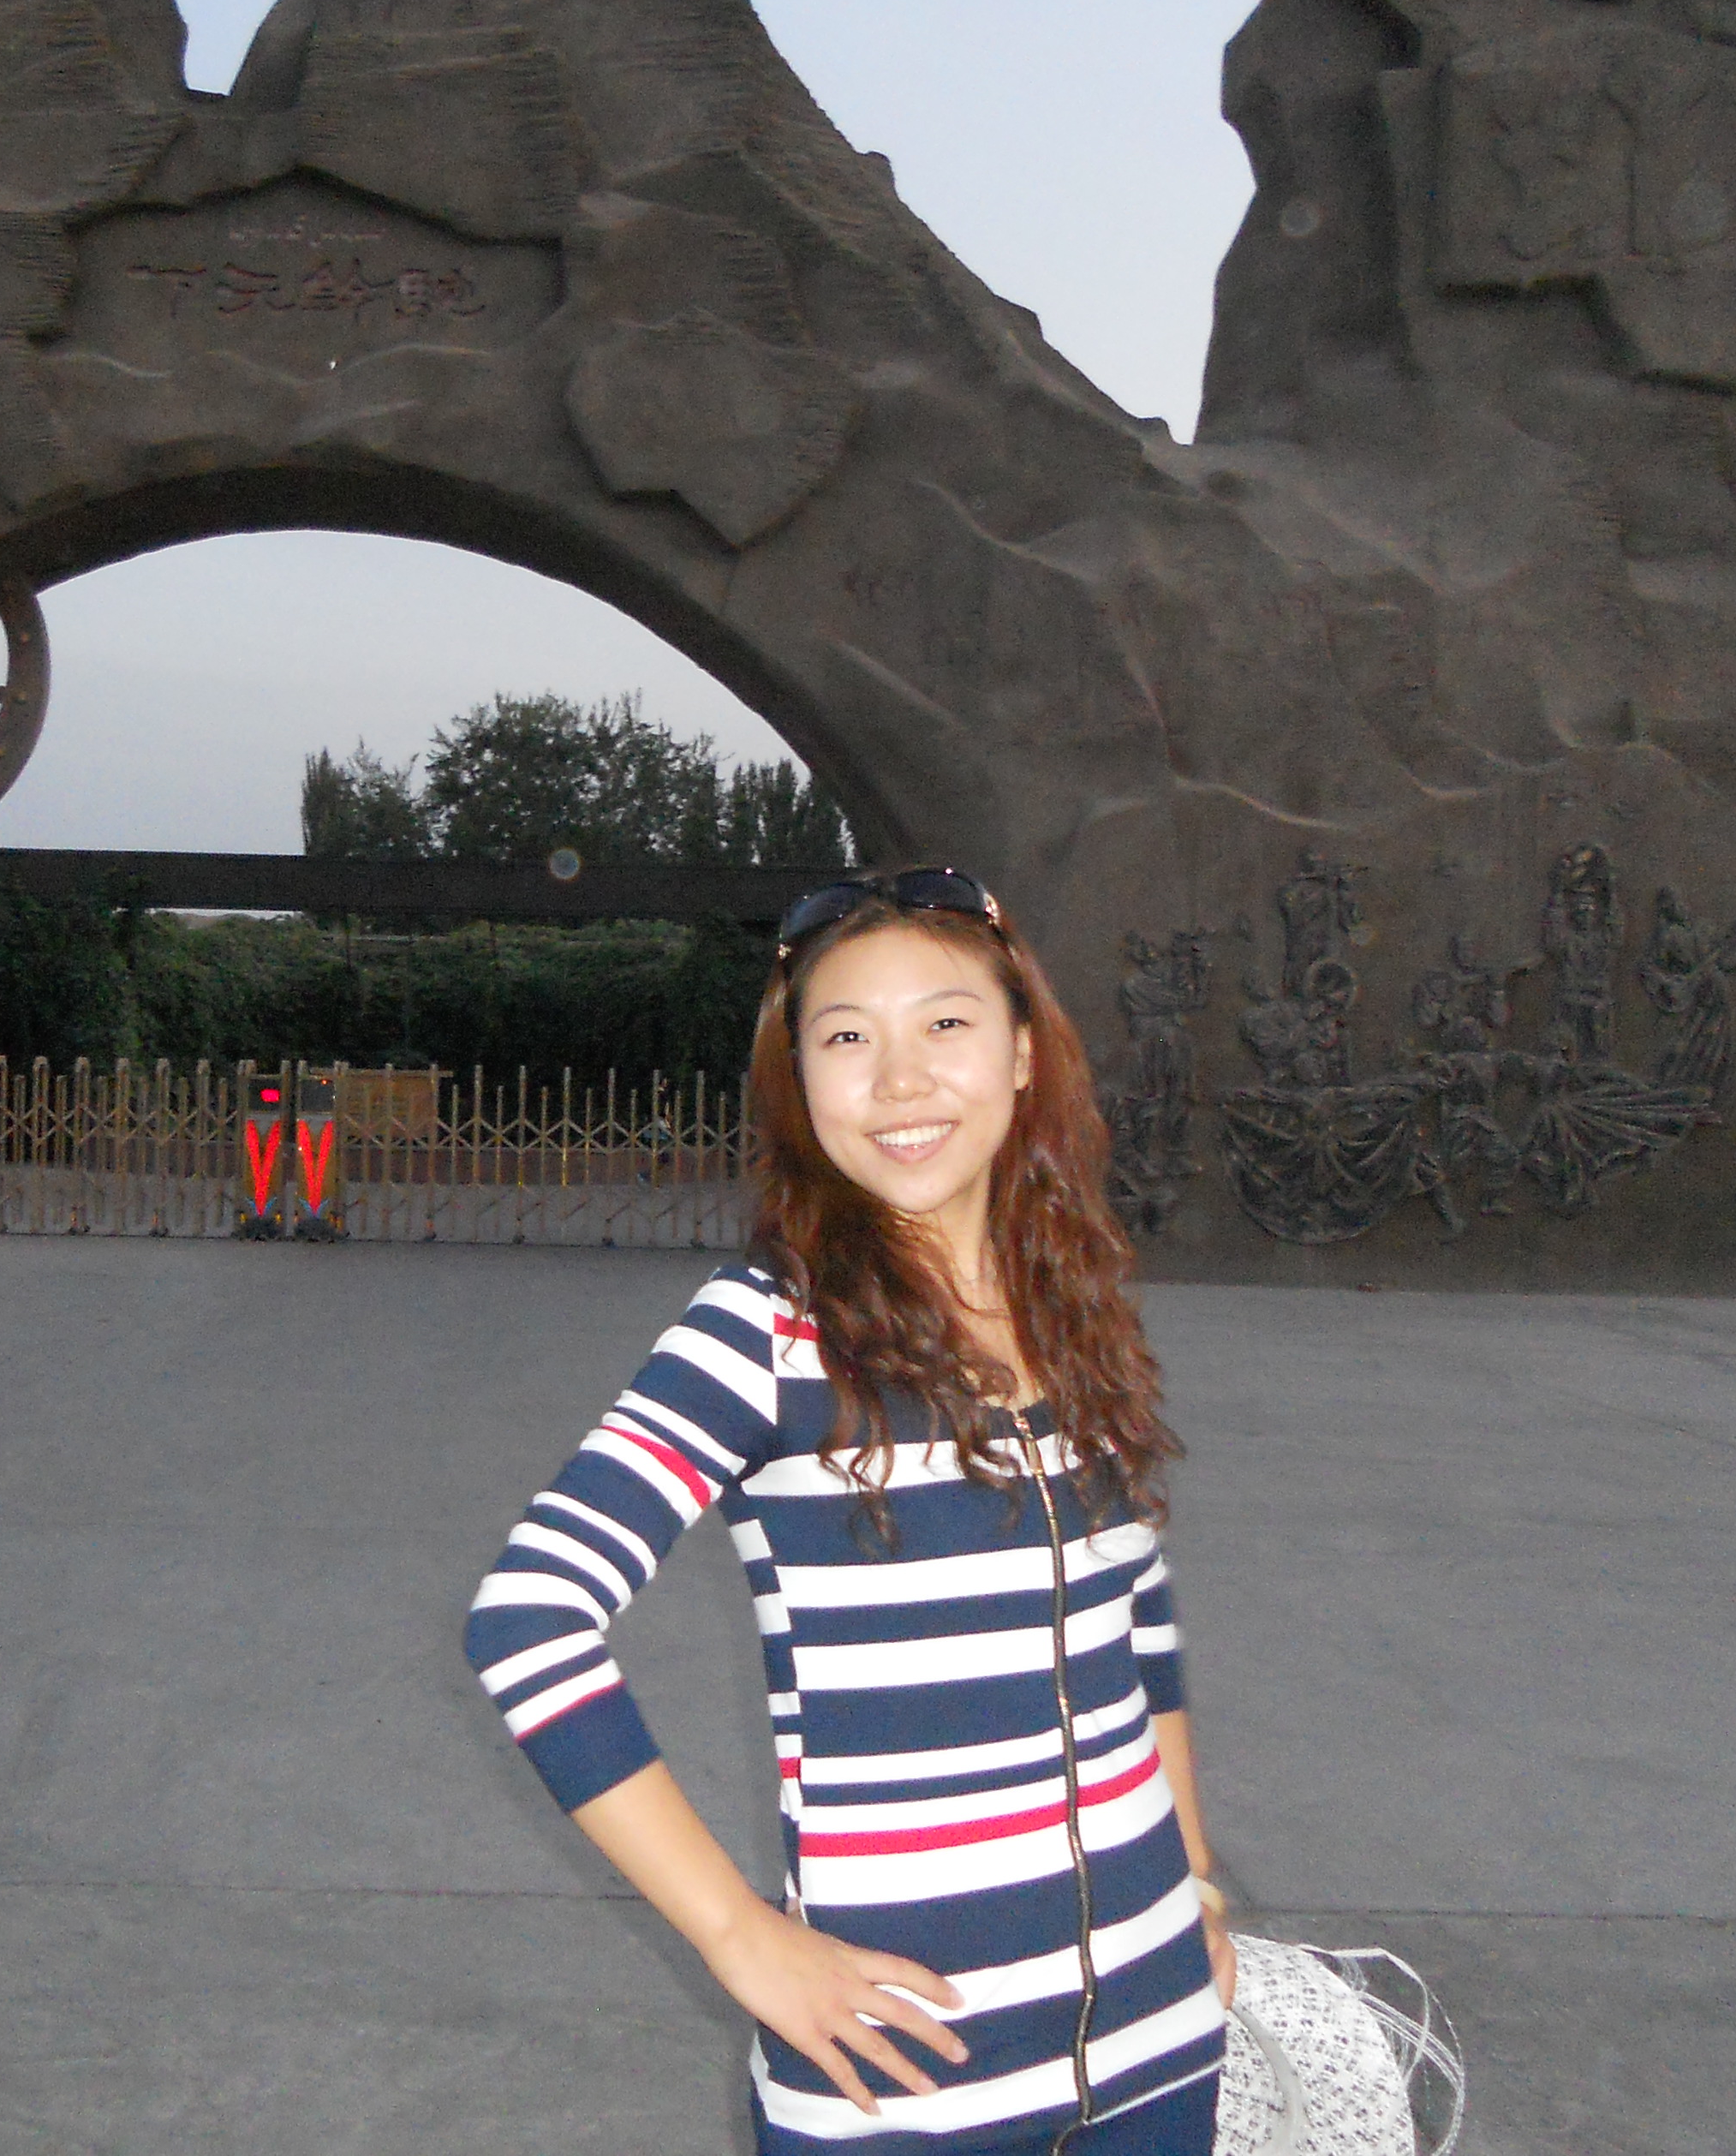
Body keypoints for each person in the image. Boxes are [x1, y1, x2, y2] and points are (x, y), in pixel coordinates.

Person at [467, 868, 1232, 2153]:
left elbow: (1138, 1624)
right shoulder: (767, 1333)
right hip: (908, 2075)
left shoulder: (1070, 1309)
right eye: (845, 1039)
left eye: (946, 1023)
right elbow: (527, 1621)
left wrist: (1197, 1886)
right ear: (800, 1083)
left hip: (1159, 2045)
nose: (899, 1080)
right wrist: (738, 1935)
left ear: (1023, 1054)